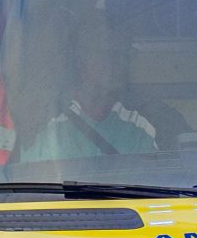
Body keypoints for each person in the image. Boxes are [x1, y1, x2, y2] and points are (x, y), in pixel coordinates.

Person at [15, 30, 158, 164]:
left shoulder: (139, 128)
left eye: (121, 55)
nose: (117, 63)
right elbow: (34, 186)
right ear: (80, 61)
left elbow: (153, 182)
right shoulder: (47, 125)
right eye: (105, 54)